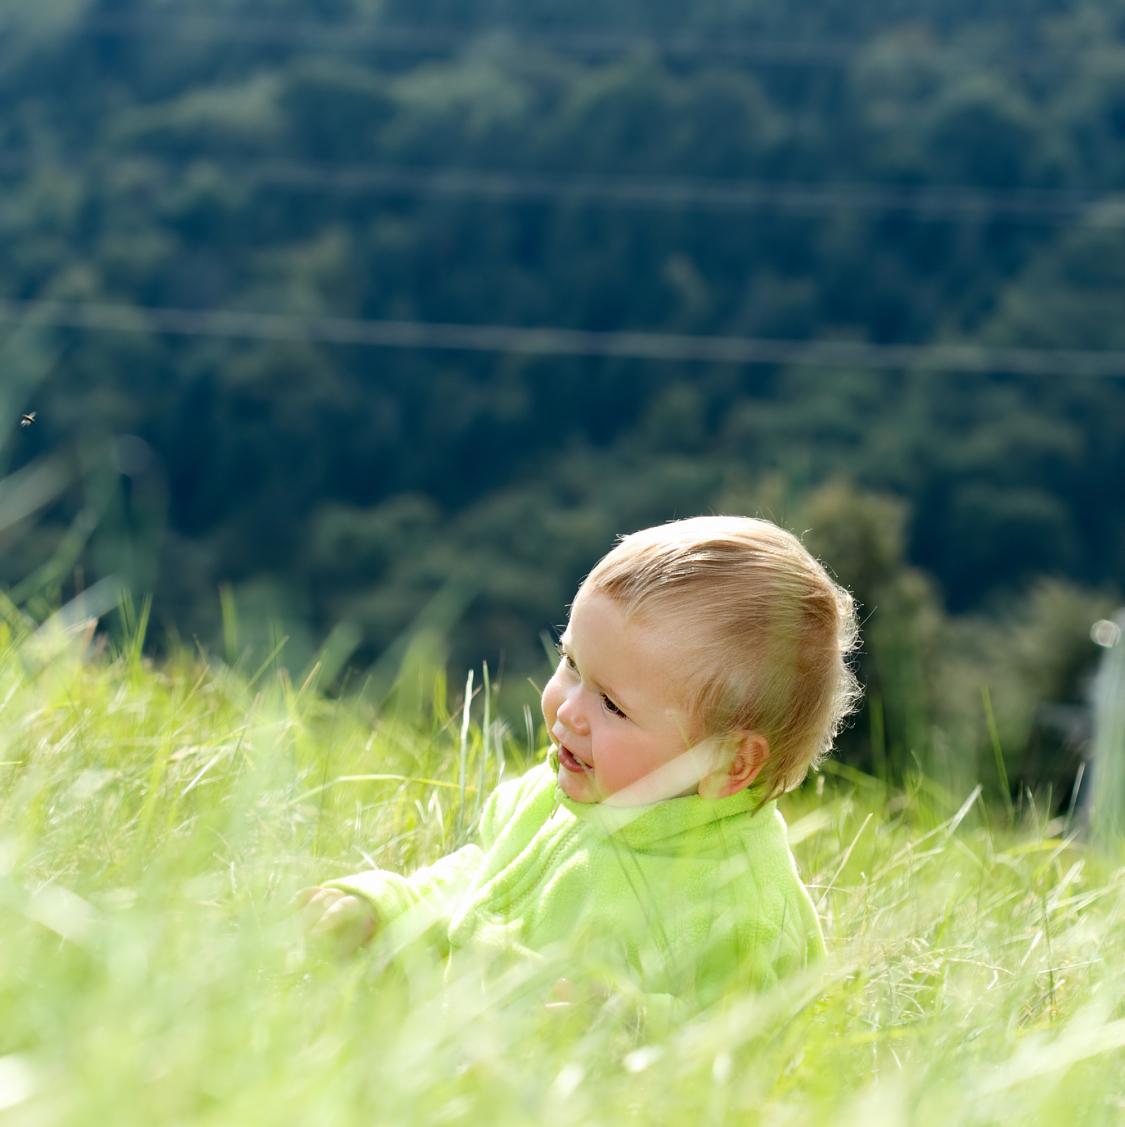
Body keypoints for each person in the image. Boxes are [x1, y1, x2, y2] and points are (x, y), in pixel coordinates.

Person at [298, 516, 861, 1015]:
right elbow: (484, 881)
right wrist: (388, 908)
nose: (568, 709)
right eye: (571, 663)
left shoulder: (740, 908)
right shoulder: (553, 794)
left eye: (612, 704)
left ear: (730, 762)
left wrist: (621, 1022)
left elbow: (747, 1041)